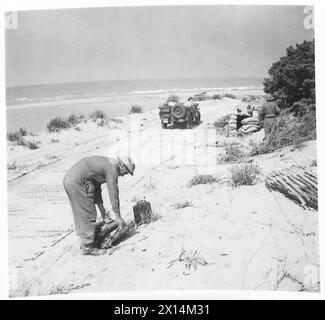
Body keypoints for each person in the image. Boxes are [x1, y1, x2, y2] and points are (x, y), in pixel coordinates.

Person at [63, 156, 135, 255]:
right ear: (122, 165)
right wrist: (118, 216)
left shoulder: (106, 164)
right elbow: (113, 192)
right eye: (125, 172)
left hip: (70, 179)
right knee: (88, 212)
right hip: (78, 182)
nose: (123, 175)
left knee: (80, 212)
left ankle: (85, 241)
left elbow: (96, 188)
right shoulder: (112, 169)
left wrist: (103, 211)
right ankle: (88, 248)